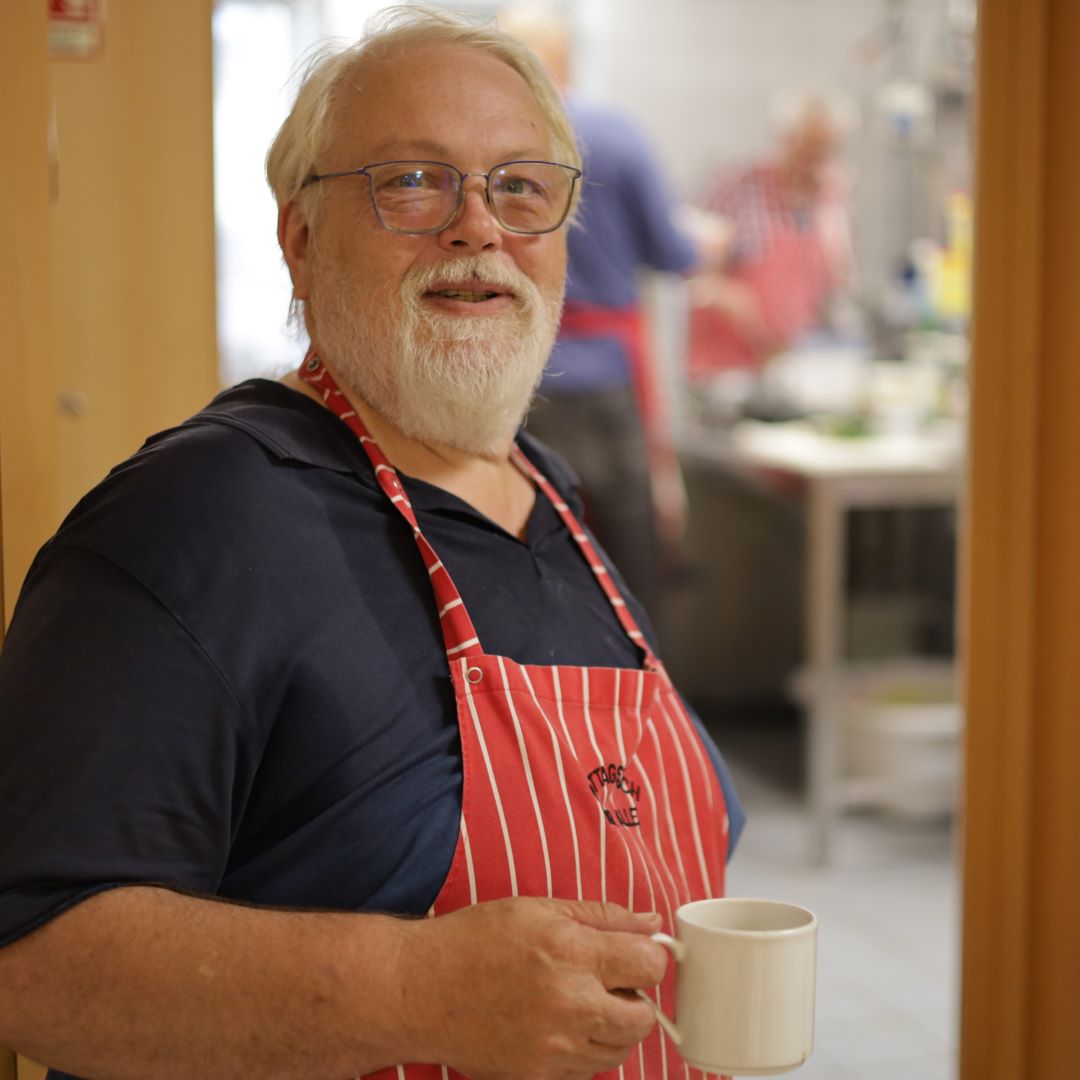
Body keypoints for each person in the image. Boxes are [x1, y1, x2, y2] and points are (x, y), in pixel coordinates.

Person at [0, 9, 742, 1080]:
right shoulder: (199, 518)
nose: (477, 227)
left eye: (521, 187)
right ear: (300, 237)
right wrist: (411, 992)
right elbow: (30, 958)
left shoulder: (555, 498)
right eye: (411, 182)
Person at [499, 6, 728, 628]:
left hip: (517, 377)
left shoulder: (494, 148)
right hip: (605, 380)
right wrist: (711, 243)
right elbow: (674, 254)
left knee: (530, 555)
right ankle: (642, 711)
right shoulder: (616, 134)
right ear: (567, 59)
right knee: (629, 565)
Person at [687, 91, 856, 378]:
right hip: (723, 368)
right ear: (783, 138)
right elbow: (689, 272)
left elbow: (840, 284)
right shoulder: (738, 186)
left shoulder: (826, 204)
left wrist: (832, 208)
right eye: (807, 146)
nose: (815, 160)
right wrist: (729, 297)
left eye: (825, 150)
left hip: (782, 365)